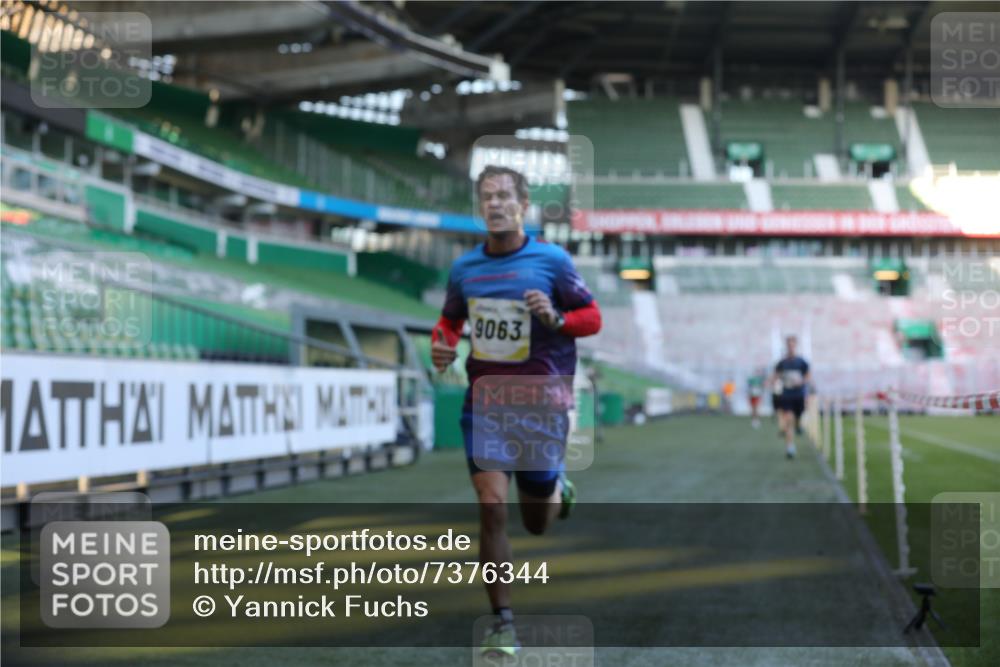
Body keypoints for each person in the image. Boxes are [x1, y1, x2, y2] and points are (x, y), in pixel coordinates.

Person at [430, 165, 602, 657]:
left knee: (537, 522)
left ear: (523, 204)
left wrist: (554, 317)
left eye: (505, 195)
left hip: (541, 406)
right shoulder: (465, 270)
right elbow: (448, 324)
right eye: (487, 196)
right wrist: (441, 348)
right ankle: (503, 622)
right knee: (490, 507)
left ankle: (555, 485)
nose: (496, 203)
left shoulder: (551, 260)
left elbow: (591, 318)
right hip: (486, 404)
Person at [770, 335, 810, 459]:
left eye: (793, 345)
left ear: (795, 346)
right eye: (789, 345)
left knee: (797, 418)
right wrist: (769, 382)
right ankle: (790, 447)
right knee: (788, 420)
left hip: (799, 395)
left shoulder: (802, 362)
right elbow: (775, 376)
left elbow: (808, 376)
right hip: (786, 395)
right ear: (786, 346)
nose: (791, 347)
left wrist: (801, 382)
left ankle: (798, 425)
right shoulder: (782, 363)